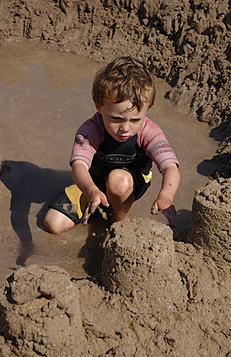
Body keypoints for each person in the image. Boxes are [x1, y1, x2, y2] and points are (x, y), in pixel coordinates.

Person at [43, 56, 180, 234]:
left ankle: (119, 217)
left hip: (130, 182)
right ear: (98, 106)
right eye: (116, 119)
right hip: (93, 183)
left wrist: (166, 196)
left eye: (135, 119)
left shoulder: (150, 132)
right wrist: (91, 190)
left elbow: (170, 167)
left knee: (118, 181)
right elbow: (78, 167)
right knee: (52, 224)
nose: (125, 128)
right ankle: (97, 202)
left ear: (149, 107)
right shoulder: (90, 130)